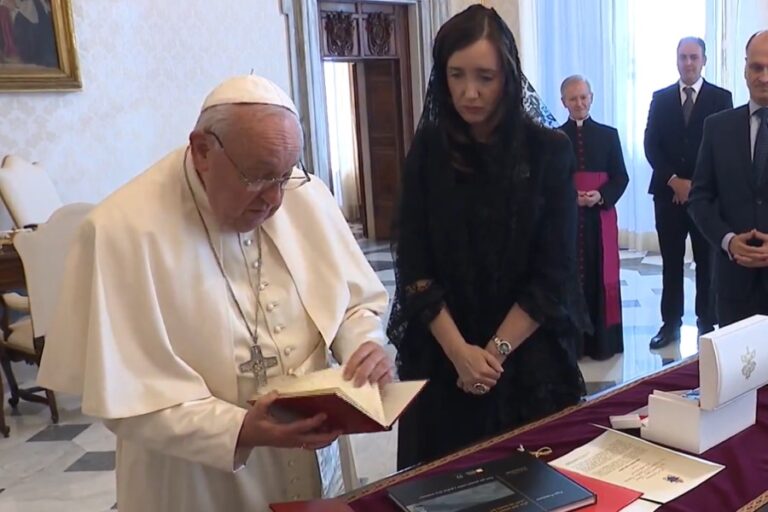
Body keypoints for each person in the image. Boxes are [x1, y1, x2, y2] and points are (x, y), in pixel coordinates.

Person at [37, 75, 394, 511]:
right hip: (195, 476)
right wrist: (240, 430)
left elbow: (354, 303)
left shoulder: (306, 195)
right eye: (258, 177)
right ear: (203, 150)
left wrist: (364, 346)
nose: (275, 200)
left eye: (285, 176)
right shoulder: (121, 230)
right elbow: (129, 395)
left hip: (312, 448)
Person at [388, 5, 587, 470]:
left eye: (485, 77)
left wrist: (491, 355)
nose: (469, 93)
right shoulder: (428, 152)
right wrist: (461, 354)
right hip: (443, 361)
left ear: (509, 78)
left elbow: (552, 275)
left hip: (525, 360)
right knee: (441, 488)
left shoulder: (548, 153)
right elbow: (414, 269)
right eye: (456, 75)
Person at [644, 36, 733, 348]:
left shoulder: (721, 98)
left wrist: (694, 187)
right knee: (670, 261)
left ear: (704, 60)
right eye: (683, 57)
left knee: (708, 262)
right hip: (667, 196)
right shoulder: (661, 97)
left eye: (694, 57)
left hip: (706, 198)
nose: (688, 63)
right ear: (677, 60)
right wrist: (673, 181)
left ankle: (707, 322)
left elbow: (724, 148)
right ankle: (670, 324)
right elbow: (651, 145)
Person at [689, 31, 768, 326]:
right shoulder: (717, 128)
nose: (764, 77)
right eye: (757, 67)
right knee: (737, 372)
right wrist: (728, 241)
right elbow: (700, 197)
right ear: (745, 70)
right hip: (733, 286)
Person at [559, 75, 628, 360]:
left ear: (592, 97)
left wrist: (600, 196)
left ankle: (602, 343)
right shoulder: (555, 137)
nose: (579, 103)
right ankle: (574, 343)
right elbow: (549, 182)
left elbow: (621, 177)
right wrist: (570, 197)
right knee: (571, 275)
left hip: (600, 218)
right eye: (573, 98)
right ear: (564, 102)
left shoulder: (609, 135)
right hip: (569, 221)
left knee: (601, 275)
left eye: (583, 97)